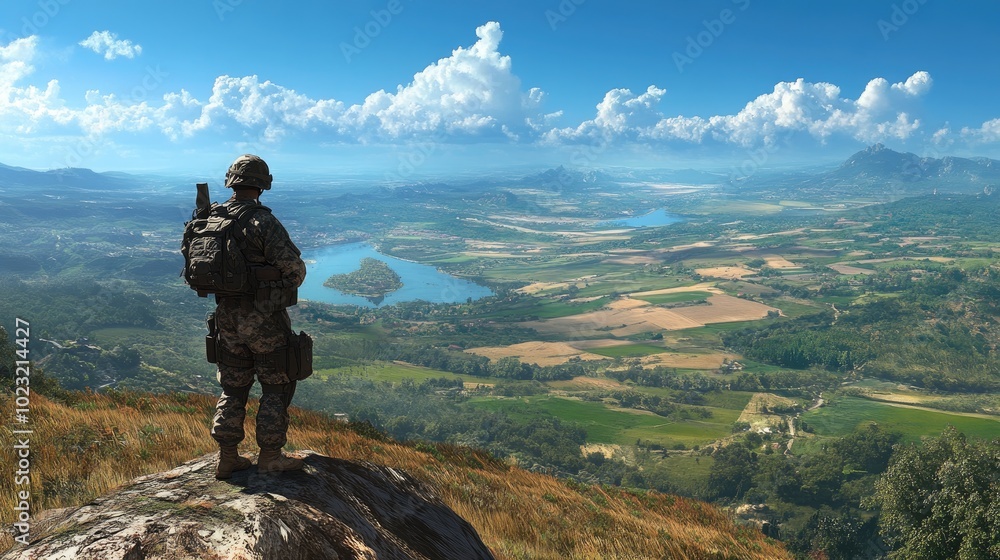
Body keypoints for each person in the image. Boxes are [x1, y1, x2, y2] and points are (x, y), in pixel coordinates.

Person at [209, 154, 307, 479]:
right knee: (276, 385)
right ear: (263, 185)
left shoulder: (212, 218)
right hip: (262, 317)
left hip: (225, 316)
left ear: (231, 182)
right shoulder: (262, 221)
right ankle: (270, 456)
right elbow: (294, 271)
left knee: (233, 386)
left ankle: (227, 457)